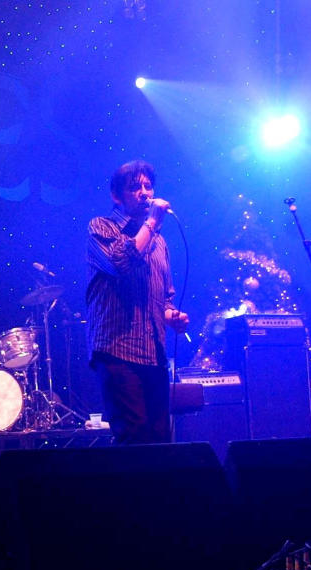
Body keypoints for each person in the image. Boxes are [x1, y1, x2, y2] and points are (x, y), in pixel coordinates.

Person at [86, 160, 189, 444]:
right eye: (135, 187)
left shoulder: (159, 243)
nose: (144, 193)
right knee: (133, 437)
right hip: (117, 348)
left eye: (148, 186)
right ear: (116, 196)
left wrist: (171, 315)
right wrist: (152, 222)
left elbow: (164, 296)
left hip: (153, 352)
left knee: (159, 440)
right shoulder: (101, 227)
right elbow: (119, 263)